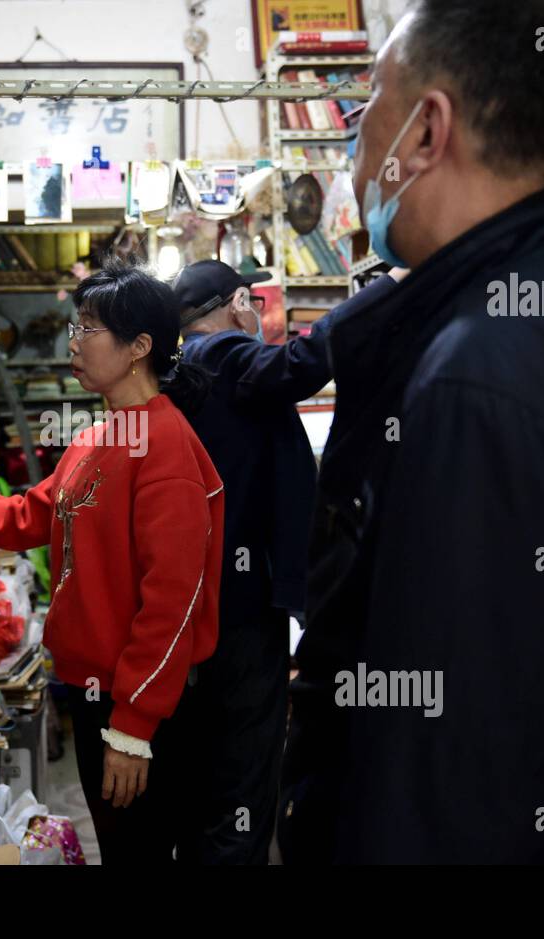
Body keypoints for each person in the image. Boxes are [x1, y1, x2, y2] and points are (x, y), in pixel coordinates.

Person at [280, 0, 544, 864]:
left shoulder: (484, 374)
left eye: (371, 102)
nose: (358, 141)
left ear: (428, 131)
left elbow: (451, 795)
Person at [0, 260, 224, 865]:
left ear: (140, 347)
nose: (73, 343)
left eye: (88, 330)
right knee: (120, 847)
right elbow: (25, 517)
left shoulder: (166, 447)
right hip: (92, 693)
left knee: (140, 852)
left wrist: (133, 728)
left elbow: (173, 602)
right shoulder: (98, 437)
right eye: (74, 327)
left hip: (134, 704)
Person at [168, 259, 400, 864]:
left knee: (208, 786)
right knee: (244, 783)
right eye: (251, 301)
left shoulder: (183, 368)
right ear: (238, 302)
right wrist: (391, 287)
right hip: (240, 613)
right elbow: (306, 361)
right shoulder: (221, 355)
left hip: (201, 603)